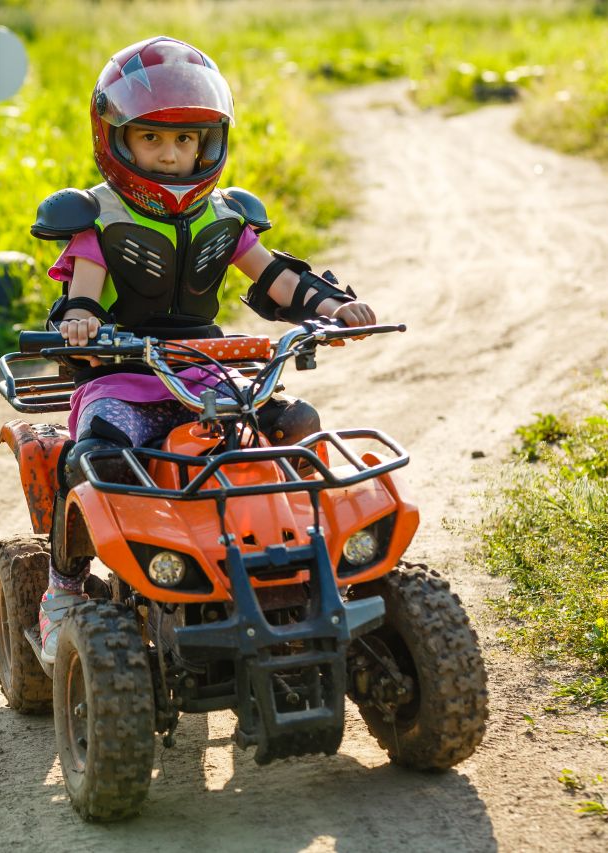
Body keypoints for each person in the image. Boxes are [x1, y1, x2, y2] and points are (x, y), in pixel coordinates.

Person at [28, 35, 378, 663]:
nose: (169, 155)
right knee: (97, 456)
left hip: (206, 374)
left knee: (292, 425)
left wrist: (331, 307)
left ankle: (313, 565)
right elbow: (81, 295)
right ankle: (65, 592)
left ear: (209, 141)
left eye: (185, 139)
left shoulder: (226, 215)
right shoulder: (95, 216)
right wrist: (80, 321)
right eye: (153, 139)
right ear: (117, 138)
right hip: (122, 376)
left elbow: (275, 278)